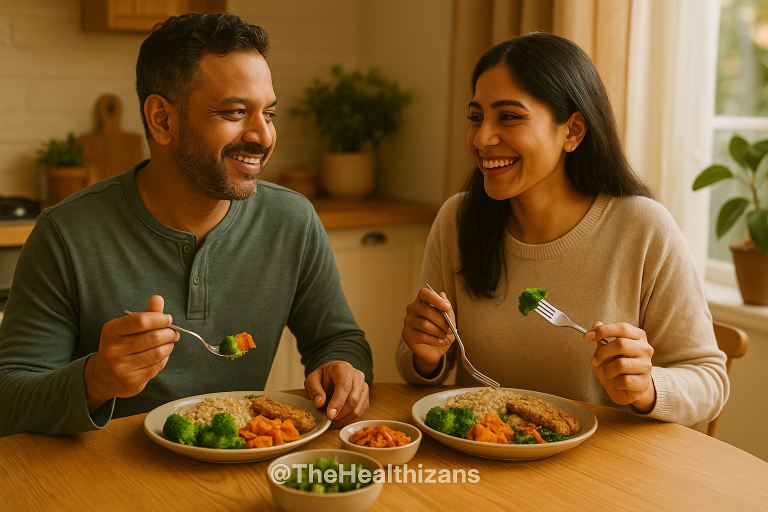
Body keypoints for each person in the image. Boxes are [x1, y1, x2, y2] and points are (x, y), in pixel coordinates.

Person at [0, 13, 372, 437]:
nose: (264, 136)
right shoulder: (65, 235)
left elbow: (338, 341)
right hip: (103, 473)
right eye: (235, 112)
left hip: (244, 465)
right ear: (162, 120)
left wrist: (342, 369)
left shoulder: (292, 219)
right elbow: (8, 399)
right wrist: (96, 380)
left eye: (268, 114)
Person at [398, 32, 728, 426]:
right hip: (478, 451)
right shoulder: (457, 219)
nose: (482, 138)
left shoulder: (643, 228)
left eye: (508, 117)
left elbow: (708, 379)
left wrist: (648, 387)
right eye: (476, 117)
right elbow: (415, 365)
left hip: (603, 461)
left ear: (572, 131)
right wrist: (424, 354)